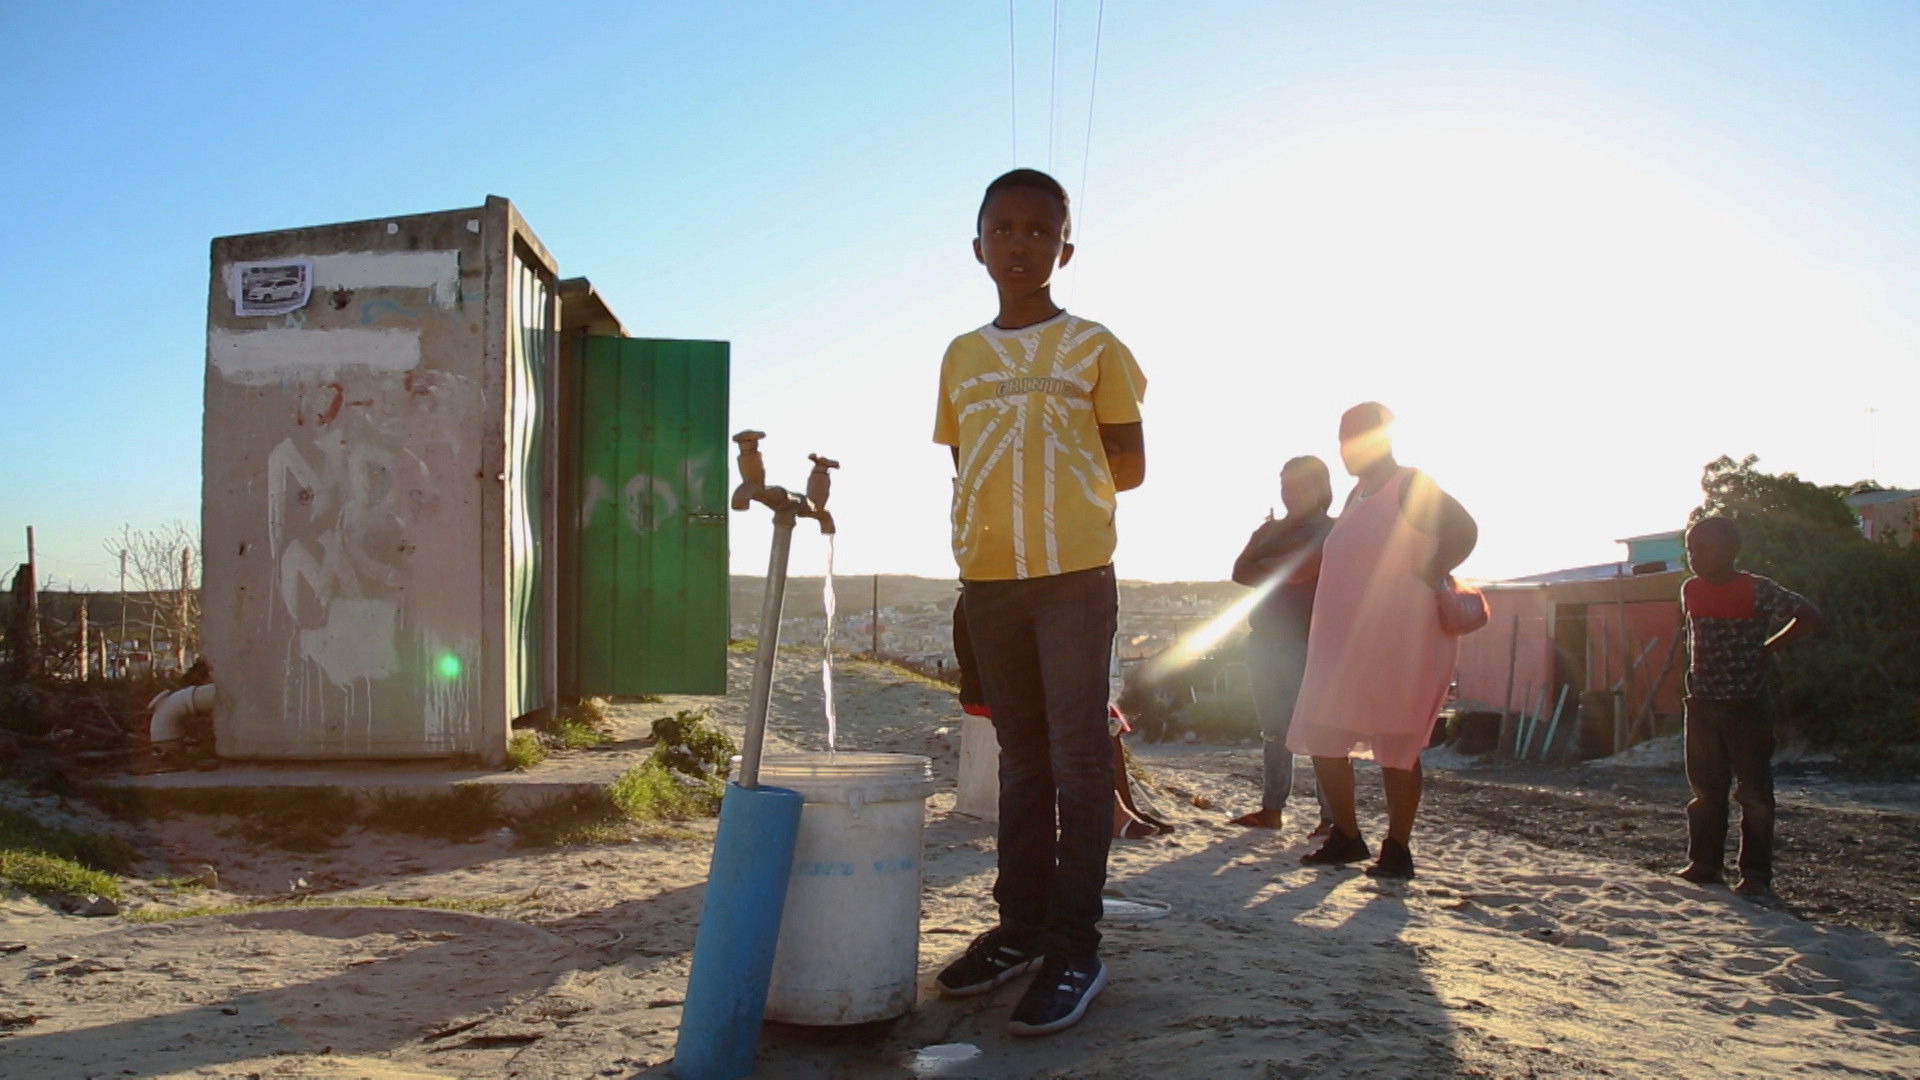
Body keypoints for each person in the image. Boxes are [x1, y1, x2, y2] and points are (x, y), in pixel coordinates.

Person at [932, 168, 1146, 1036]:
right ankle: (1019, 928)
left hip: (1073, 577)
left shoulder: (1094, 346)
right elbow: (963, 461)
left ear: (1065, 248)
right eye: (1003, 229)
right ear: (977, 245)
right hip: (989, 581)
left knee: (1079, 760)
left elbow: (1130, 463)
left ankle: (1074, 948)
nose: (1019, 244)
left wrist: (1058, 495)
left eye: (1038, 231)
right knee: (1021, 761)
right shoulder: (961, 356)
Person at [1287, 402, 1477, 879]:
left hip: (1401, 638)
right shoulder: (1358, 494)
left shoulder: (1410, 484)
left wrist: (1433, 568)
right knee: (1323, 733)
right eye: (1342, 438)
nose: (1346, 449)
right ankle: (1348, 837)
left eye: (1356, 438)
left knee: (1396, 741)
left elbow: (1465, 530)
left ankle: (1397, 847)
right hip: (1345, 642)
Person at [1674, 515, 1821, 899]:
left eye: (1704, 549)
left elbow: (1809, 614)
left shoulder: (1757, 589)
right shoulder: (1690, 589)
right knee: (1706, 792)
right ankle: (1705, 864)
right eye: (1691, 549)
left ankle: (1755, 874)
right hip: (1702, 704)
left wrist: (1768, 648)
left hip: (1746, 705)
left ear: (1731, 550)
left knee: (1754, 793)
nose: (1695, 556)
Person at [1227, 456, 1337, 835]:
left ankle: (1332, 818)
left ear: (1321, 487)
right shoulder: (1269, 530)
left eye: (1301, 485)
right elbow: (1239, 571)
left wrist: (1266, 565)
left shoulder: (1332, 531)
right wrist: (1281, 564)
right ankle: (1272, 809)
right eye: (1286, 485)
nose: (1291, 493)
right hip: (1263, 640)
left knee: (1320, 731)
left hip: (1308, 642)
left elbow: (1303, 570)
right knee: (1274, 729)